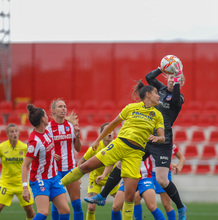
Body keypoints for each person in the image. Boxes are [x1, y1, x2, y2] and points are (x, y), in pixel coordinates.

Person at [86, 59, 187, 220]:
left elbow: (174, 98)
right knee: (121, 163)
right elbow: (149, 76)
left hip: (163, 140)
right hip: (146, 137)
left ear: (179, 82)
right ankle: (102, 196)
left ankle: (181, 208)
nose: (170, 80)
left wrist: (177, 76)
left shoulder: (178, 98)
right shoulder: (159, 90)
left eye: (174, 79)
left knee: (162, 180)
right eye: (168, 77)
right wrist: (162, 68)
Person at [61, 80, 165, 220]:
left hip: (135, 153)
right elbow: (112, 124)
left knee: (129, 197)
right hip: (119, 144)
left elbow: (162, 137)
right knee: (86, 166)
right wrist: (97, 140)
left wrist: (158, 138)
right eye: (156, 93)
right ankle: (57, 186)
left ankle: (103, 198)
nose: (159, 96)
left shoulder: (157, 115)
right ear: (148, 94)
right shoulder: (131, 107)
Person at [21, 104, 70, 220]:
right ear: (43, 119)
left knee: (65, 211)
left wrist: (53, 155)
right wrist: (25, 188)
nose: (48, 117)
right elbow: (25, 166)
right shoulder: (34, 141)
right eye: (46, 115)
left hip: (53, 177)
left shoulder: (47, 132)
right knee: (43, 213)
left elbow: (46, 150)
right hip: (40, 180)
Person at [47, 99, 83, 220]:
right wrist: (51, 154)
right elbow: (42, 150)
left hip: (70, 169)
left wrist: (77, 137)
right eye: (60, 107)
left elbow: (78, 149)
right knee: (57, 206)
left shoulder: (71, 126)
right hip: (55, 172)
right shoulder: (48, 128)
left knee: (77, 205)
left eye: (65, 106)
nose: (63, 109)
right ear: (53, 111)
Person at [77, 123, 120, 220]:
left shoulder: (117, 146)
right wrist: (78, 178)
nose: (110, 132)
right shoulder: (95, 147)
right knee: (91, 207)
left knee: (119, 205)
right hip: (96, 179)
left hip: (112, 179)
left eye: (111, 130)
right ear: (102, 133)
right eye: (107, 130)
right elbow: (81, 161)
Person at [134, 143, 185, 220]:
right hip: (149, 174)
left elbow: (181, 157)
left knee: (166, 205)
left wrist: (179, 167)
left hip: (163, 174)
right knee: (136, 199)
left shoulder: (168, 142)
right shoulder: (148, 141)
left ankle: (180, 210)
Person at [0, 124, 35, 219]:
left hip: (21, 183)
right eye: (12, 131)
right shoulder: (2, 147)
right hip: (6, 183)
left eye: (16, 131)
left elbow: (33, 160)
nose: (14, 133)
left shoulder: (24, 147)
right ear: (7, 134)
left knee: (29, 208)